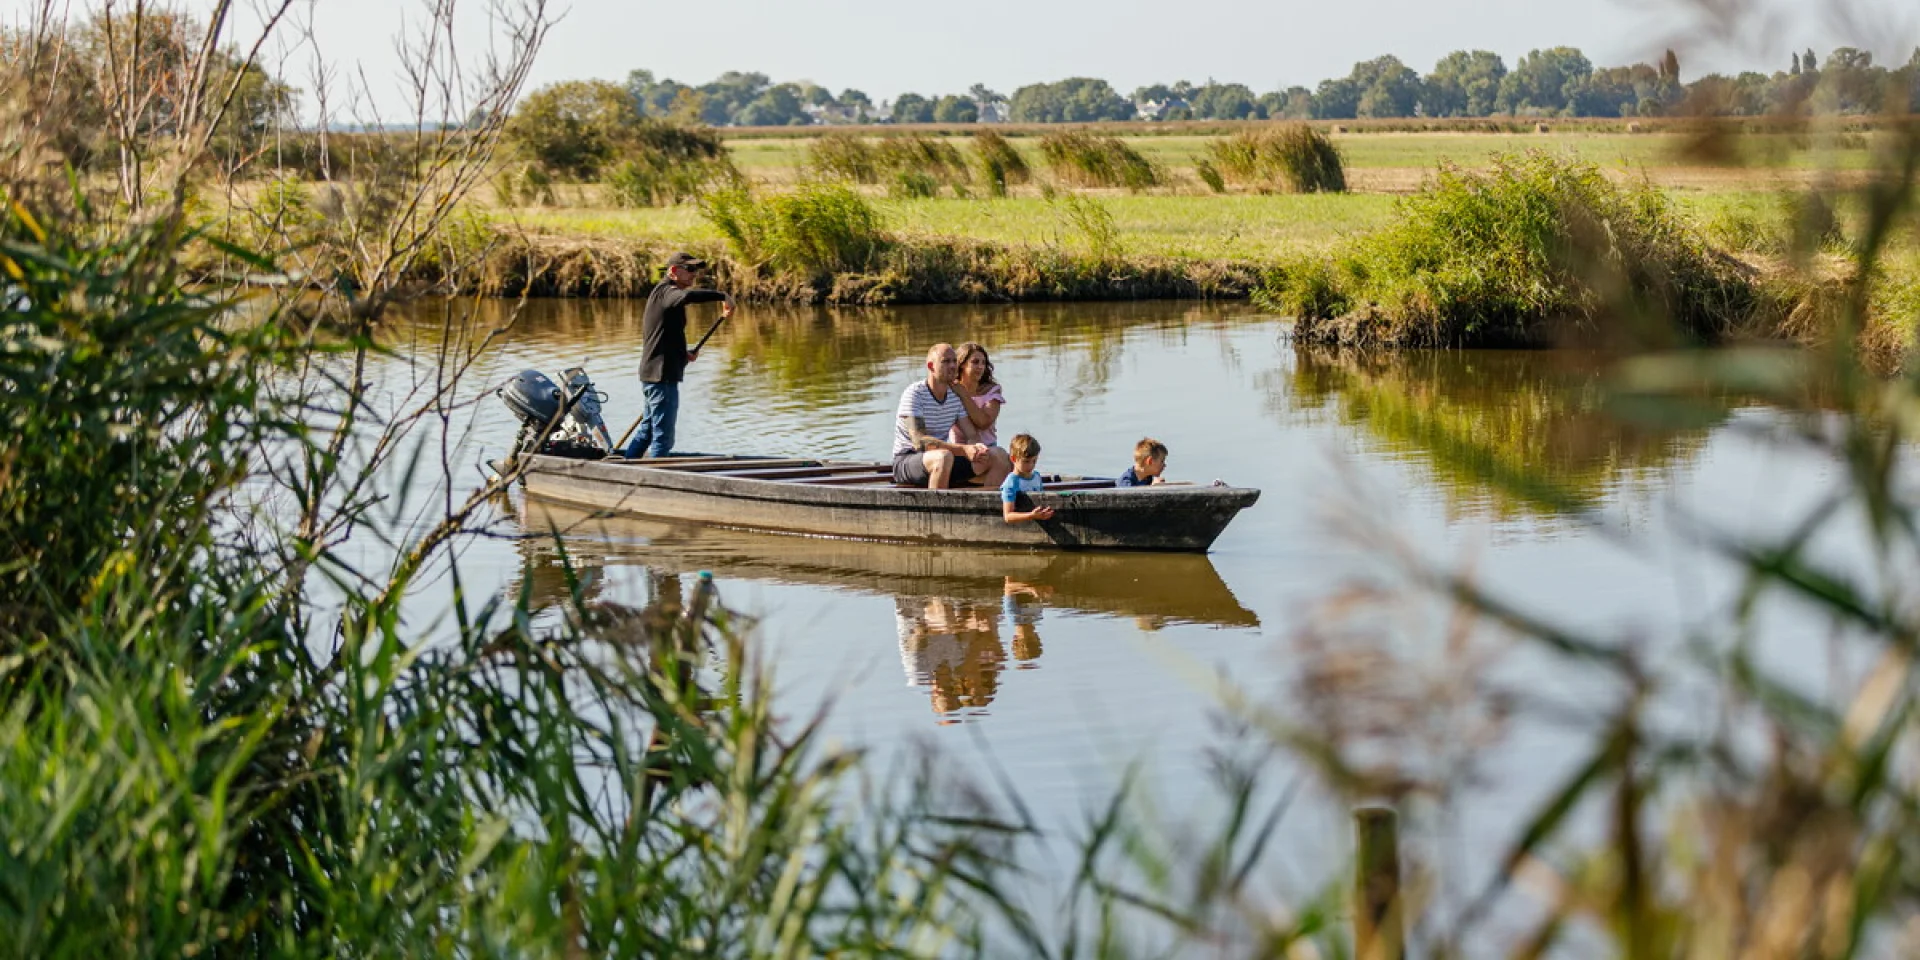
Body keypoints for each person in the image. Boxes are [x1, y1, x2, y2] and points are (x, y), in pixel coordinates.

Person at [623, 251, 733, 460]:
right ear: (673, 271)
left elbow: (666, 333)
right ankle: (654, 480)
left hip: (655, 374)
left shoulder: (663, 295)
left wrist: (683, 354)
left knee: (647, 431)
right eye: (690, 270)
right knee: (663, 437)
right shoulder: (667, 292)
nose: (694, 275)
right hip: (661, 377)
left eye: (696, 270)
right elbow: (686, 297)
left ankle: (627, 468)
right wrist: (722, 295)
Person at [893, 343, 1012, 489]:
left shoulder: (954, 396)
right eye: (945, 361)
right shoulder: (914, 393)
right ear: (931, 366)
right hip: (908, 459)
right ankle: (936, 510)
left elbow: (971, 435)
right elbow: (920, 442)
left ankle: (986, 507)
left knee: (999, 456)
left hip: (944, 458)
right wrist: (963, 450)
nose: (952, 366)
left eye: (954, 361)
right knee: (943, 457)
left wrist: (977, 449)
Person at [949, 342, 1005, 448]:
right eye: (975, 362)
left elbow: (983, 423)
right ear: (962, 364)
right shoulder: (950, 389)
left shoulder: (993, 390)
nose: (980, 367)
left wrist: (963, 394)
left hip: (988, 448)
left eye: (983, 363)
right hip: (958, 449)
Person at [1000, 433, 1055, 524]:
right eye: (1026, 462)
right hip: (1024, 523)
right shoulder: (1012, 482)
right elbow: (1008, 516)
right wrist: (1031, 516)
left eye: (1034, 461)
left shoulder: (1036, 477)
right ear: (1013, 459)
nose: (1031, 465)